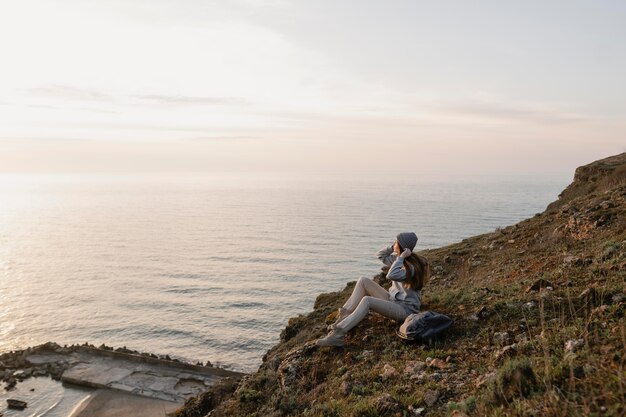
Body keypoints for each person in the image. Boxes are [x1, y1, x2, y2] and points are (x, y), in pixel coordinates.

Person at [316, 232, 430, 347]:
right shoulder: (400, 259)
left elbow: (391, 275)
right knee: (363, 281)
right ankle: (344, 317)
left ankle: (338, 335)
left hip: (405, 310)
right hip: (393, 301)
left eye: (396, 242)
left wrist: (400, 257)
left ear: (402, 246)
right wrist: (392, 249)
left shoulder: (411, 267)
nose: (394, 243)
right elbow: (380, 255)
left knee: (367, 300)